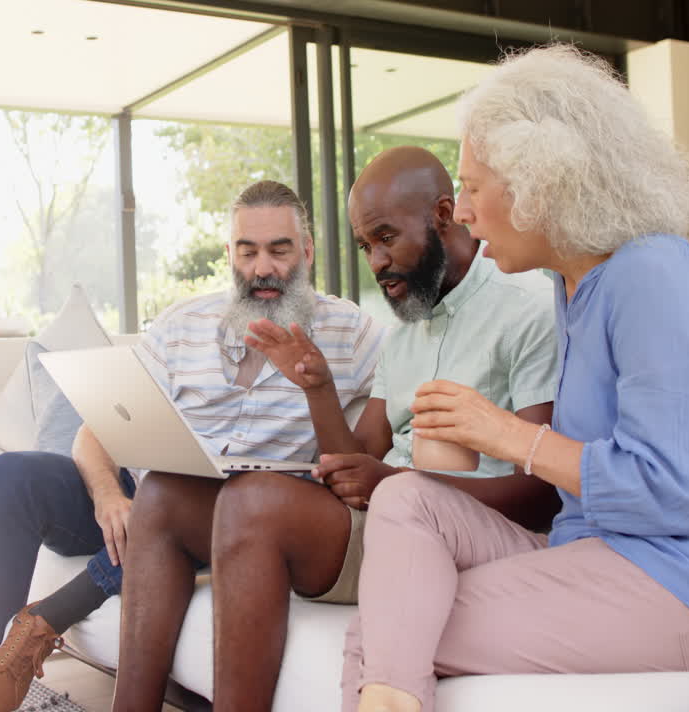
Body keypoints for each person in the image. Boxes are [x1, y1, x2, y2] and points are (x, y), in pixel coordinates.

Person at [344, 45, 689, 712]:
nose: (463, 214)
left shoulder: (655, 274)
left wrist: (506, 434)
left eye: (472, 187)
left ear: (543, 180)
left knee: (384, 635)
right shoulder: (576, 285)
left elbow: (675, 494)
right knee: (403, 502)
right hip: (603, 552)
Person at [110, 145, 560, 712]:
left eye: (386, 237)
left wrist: (391, 486)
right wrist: (318, 387)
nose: (376, 262)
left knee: (255, 503)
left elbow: (544, 494)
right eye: (366, 246)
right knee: (165, 494)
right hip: (385, 522)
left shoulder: (529, 309)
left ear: (443, 214)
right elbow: (356, 460)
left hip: (452, 536)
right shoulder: (406, 336)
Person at [0, 180, 381, 712]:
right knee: (11, 477)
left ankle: (48, 617)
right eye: (248, 250)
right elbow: (94, 431)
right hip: (140, 495)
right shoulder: (181, 324)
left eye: (279, 250)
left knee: (169, 501)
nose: (263, 267)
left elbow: (368, 454)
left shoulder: (352, 333)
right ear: (230, 255)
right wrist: (108, 497)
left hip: (236, 515)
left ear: (306, 252)